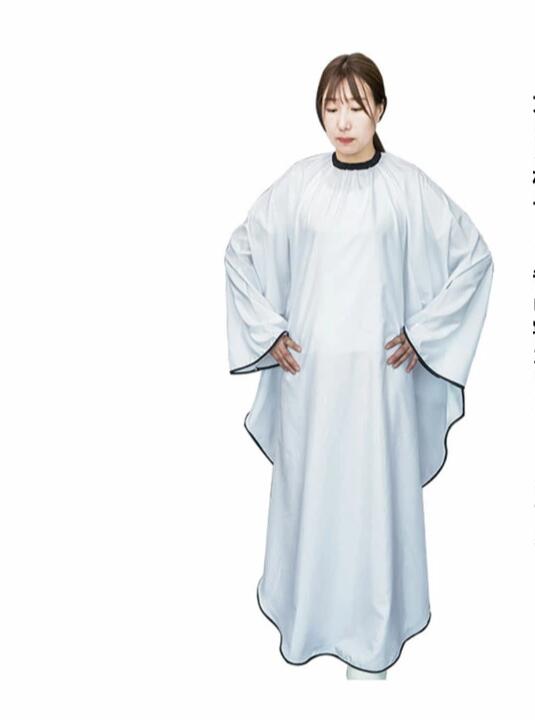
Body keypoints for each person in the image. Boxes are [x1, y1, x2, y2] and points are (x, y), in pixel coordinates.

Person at [224, 52, 493, 679]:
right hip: (311, 385)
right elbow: (240, 251)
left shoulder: (408, 188)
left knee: (372, 504)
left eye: (355, 105)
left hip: (380, 387)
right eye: (331, 106)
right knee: (315, 502)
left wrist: (423, 335)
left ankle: (371, 647)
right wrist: (269, 331)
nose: (343, 120)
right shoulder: (299, 185)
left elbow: (474, 258)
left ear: (380, 109)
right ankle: (313, 623)